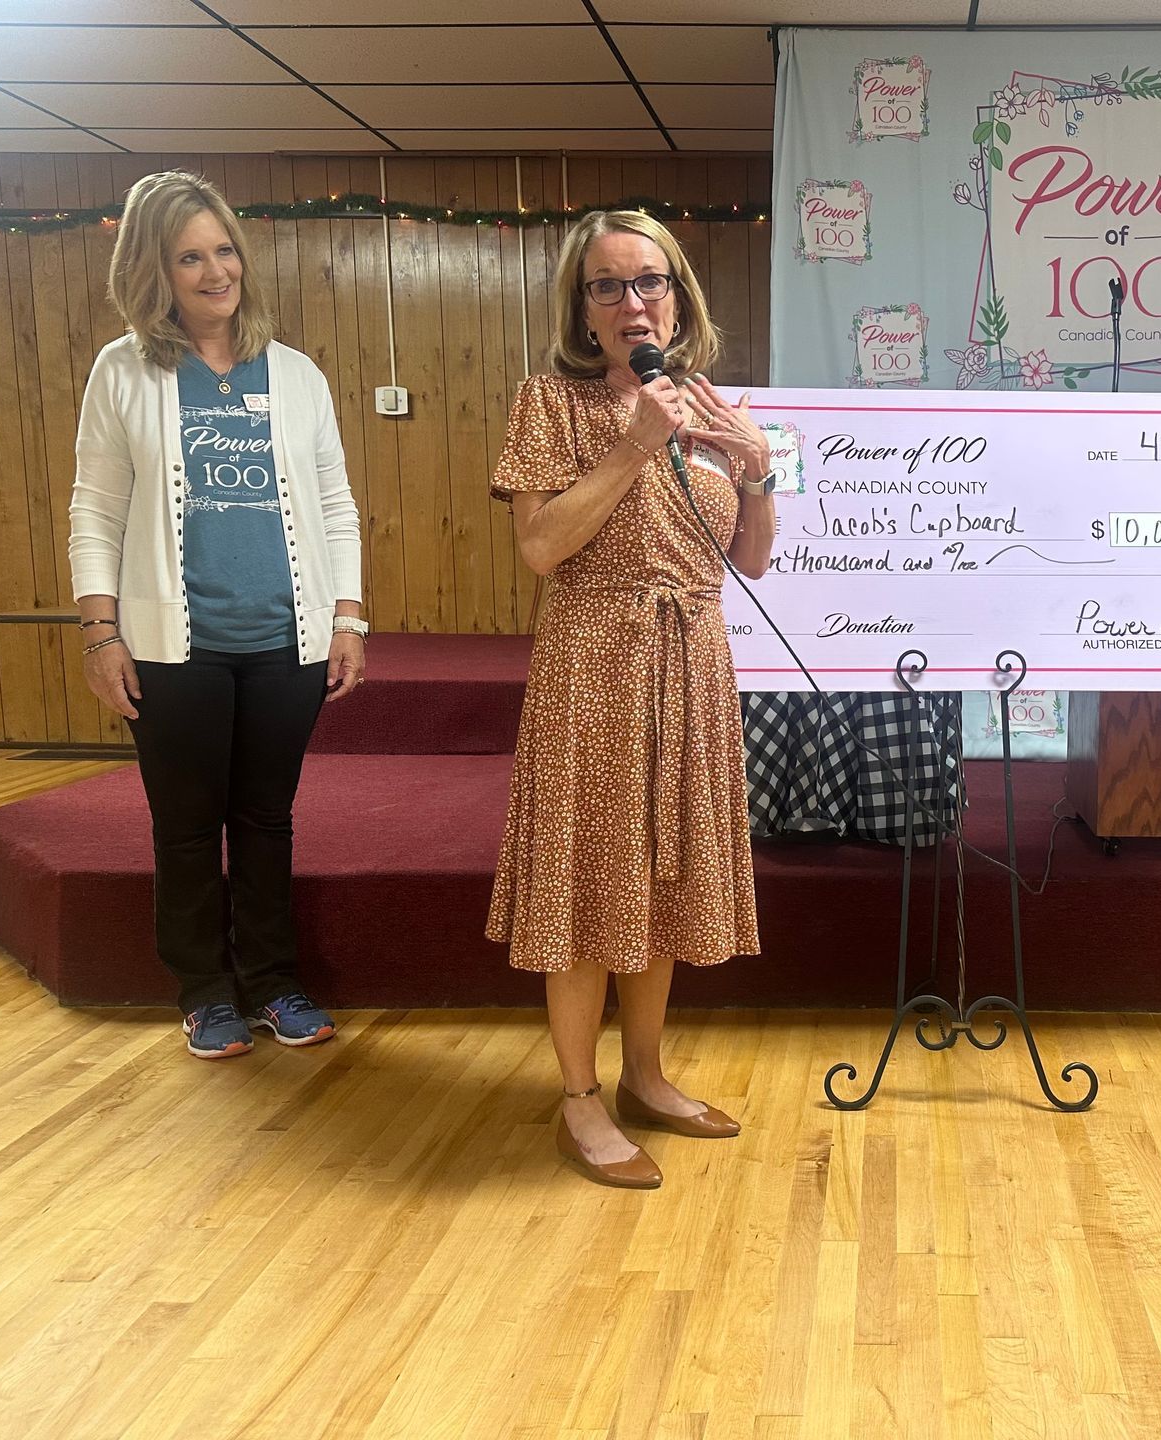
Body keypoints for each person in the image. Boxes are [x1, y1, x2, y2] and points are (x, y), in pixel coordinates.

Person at [488, 210, 775, 1188]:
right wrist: (632, 447)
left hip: (692, 663)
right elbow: (539, 550)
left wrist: (761, 470)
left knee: (659, 883)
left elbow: (752, 561)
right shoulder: (550, 405)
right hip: (596, 667)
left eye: (646, 281)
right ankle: (579, 1097)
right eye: (605, 286)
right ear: (582, 305)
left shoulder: (706, 405)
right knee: (590, 885)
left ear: (678, 292)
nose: (630, 301)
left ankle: (646, 1074)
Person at [70, 171, 367, 1060]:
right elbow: (94, 509)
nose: (213, 272)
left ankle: (274, 980)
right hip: (172, 648)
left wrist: (347, 617)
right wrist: (101, 632)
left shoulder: (296, 374)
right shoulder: (123, 370)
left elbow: (336, 502)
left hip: (286, 643)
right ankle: (205, 991)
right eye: (189, 257)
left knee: (267, 819)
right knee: (189, 826)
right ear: (155, 272)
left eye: (223, 250)